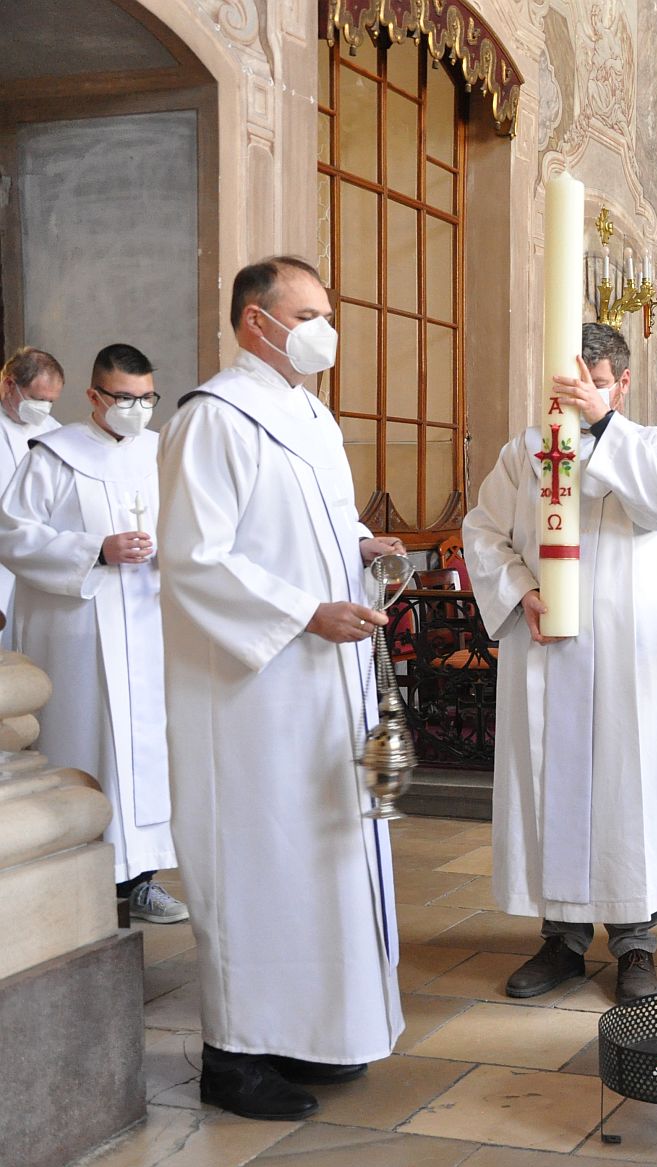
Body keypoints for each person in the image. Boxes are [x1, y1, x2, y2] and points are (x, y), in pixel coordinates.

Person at [159, 256, 406, 1121]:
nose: (323, 329)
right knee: (258, 861)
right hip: (252, 696)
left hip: (321, 684)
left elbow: (319, 521)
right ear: (255, 321)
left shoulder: (307, 414)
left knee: (319, 857)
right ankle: (234, 1054)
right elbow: (194, 559)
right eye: (308, 313)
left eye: (325, 312)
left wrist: (361, 545)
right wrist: (305, 611)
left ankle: (310, 1030)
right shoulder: (213, 419)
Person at [464, 322, 657, 1005]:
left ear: (621, 385)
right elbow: (482, 531)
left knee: (630, 788)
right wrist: (522, 590)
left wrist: (602, 427)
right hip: (549, 651)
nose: (585, 395)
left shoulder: (654, 446)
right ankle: (561, 941)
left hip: (628, 654)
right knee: (553, 782)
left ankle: (635, 943)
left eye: (598, 386)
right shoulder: (524, 452)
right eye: (576, 384)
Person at [0, 343, 182, 924]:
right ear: (94, 396)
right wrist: (95, 550)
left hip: (150, 624)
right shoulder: (53, 455)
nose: (136, 409)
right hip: (80, 629)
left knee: (149, 754)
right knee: (89, 743)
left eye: (146, 397)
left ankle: (145, 879)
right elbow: (12, 534)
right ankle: (86, 875)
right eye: (123, 398)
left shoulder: (162, 452)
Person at [0, 348, 66, 648]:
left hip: (36, 560)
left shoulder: (55, 435)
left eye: (51, 402)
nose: (44, 409)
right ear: (9, 384)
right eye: (37, 399)